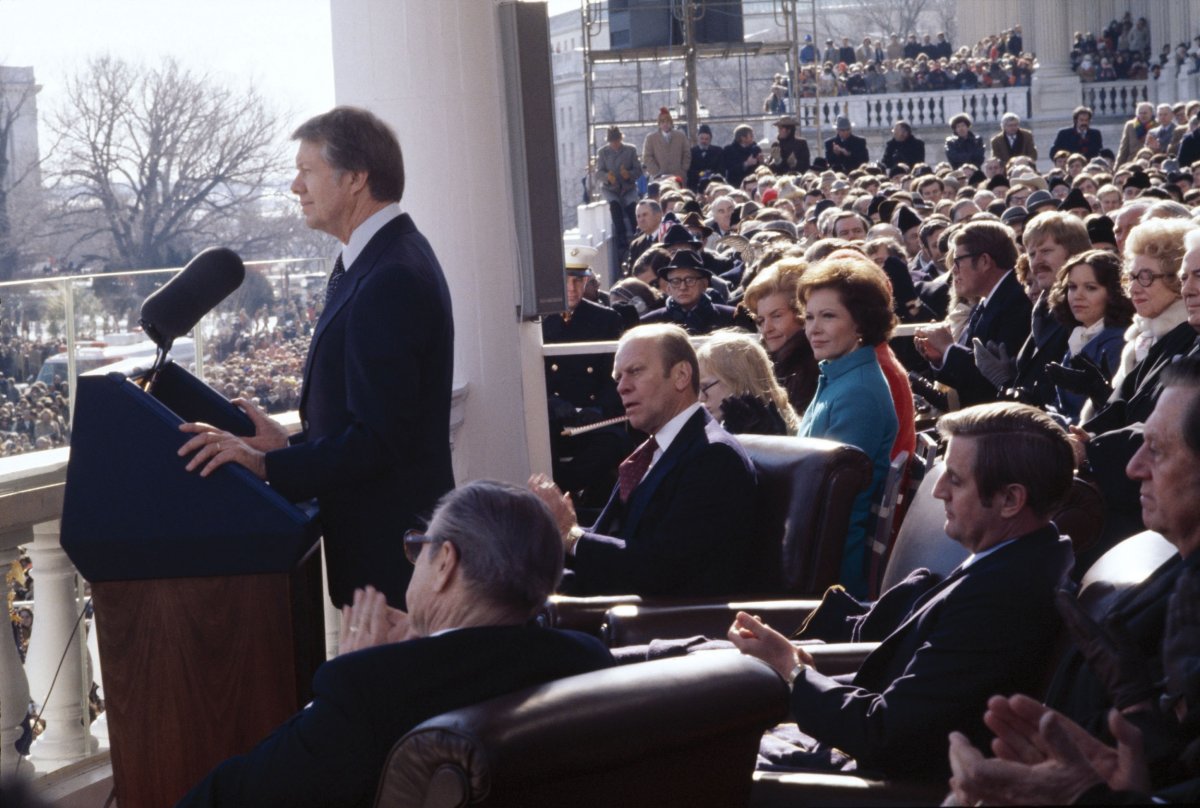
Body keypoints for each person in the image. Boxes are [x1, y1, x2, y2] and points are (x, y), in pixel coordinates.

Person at [178, 481, 615, 808]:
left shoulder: (368, 688)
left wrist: (337, 691)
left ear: (445, 562)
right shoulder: (588, 658)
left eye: (418, 548)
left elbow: (239, 796)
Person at [178, 106, 455, 609]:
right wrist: (287, 445)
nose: (294, 186)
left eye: (307, 171)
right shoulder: (379, 259)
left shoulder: (389, 276)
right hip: (383, 555)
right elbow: (375, 420)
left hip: (391, 566)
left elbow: (378, 441)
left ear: (355, 179)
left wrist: (266, 467)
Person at [728, 402, 1075, 781]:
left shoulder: (1004, 599)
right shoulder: (1017, 561)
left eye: (955, 480)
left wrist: (792, 669)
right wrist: (799, 670)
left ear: (1010, 500)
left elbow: (886, 735)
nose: (938, 490)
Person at [952, 359, 1200, 803]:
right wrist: (1140, 730)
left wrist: (1086, 796)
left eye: (1157, 450)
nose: (1133, 467)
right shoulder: (1179, 576)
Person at [530, 324, 756, 597]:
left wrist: (572, 535)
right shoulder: (653, 451)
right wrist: (553, 531)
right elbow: (621, 539)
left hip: (663, 626)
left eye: (635, 371)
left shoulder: (714, 456)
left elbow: (663, 569)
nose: (622, 388)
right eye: (618, 378)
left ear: (681, 375)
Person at [795, 253, 899, 597]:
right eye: (809, 317)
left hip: (829, 575)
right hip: (815, 552)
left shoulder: (859, 392)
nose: (813, 328)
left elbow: (833, 500)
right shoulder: (840, 377)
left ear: (861, 324)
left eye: (828, 316)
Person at [914, 220, 1032, 407]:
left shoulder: (1016, 301)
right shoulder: (987, 300)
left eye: (957, 261)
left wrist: (948, 348)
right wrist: (940, 357)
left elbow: (989, 383)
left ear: (985, 261)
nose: (953, 270)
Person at [543, 245, 627, 501]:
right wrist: (550, 402)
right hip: (552, 419)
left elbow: (617, 374)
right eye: (565, 280)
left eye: (579, 280)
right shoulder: (538, 321)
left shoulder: (606, 320)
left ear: (588, 281)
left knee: (615, 443)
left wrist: (599, 408)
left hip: (593, 419)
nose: (572, 288)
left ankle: (571, 498)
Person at [1045, 250, 1134, 423]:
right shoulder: (1080, 336)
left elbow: (1107, 414)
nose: (1078, 295)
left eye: (1090, 288)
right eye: (1072, 287)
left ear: (1114, 293)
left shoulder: (1118, 342)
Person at [742, 260, 818, 414]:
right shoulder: (759, 364)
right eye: (761, 320)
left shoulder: (814, 368)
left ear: (802, 313)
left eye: (776, 316)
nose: (766, 329)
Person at [696, 330, 799, 435]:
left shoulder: (782, 428)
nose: (700, 398)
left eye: (705, 386)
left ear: (739, 380)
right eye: (696, 388)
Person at [639, 251, 737, 335]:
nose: (683, 287)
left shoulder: (732, 317)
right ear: (668, 288)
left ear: (704, 284)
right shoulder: (649, 324)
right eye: (675, 282)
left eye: (690, 280)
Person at [594, 126, 642, 251]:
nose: (615, 144)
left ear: (621, 139)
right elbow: (598, 173)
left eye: (617, 141)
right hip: (611, 189)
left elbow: (638, 170)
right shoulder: (603, 153)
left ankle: (638, 234)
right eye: (612, 141)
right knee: (615, 207)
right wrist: (607, 177)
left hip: (628, 187)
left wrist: (629, 175)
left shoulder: (631, 150)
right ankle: (621, 238)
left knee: (632, 207)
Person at [642, 107, 690, 180]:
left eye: (668, 122)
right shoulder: (651, 138)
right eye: (662, 122)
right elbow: (647, 157)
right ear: (659, 124)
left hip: (678, 177)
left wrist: (683, 169)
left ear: (671, 123)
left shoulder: (681, 136)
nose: (665, 124)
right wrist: (656, 172)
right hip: (658, 178)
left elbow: (687, 153)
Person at [687, 124, 724, 192]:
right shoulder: (691, 152)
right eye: (702, 138)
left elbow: (721, 169)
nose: (704, 141)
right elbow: (689, 170)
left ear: (710, 140)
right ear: (698, 138)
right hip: (695, 186)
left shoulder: (718, 151)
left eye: (706, 139)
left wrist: (710, 174)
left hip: (714, 185)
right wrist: (702, 174)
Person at [1116, 101, 1155, 166]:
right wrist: (1117, 167)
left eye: (1145, 113)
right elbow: (1124, 149)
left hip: (1150, 163)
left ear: (1151, 113)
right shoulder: (1130, 125)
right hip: (1132, 163)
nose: (1142, 115)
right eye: (1140, 113)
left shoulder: (1157, 125)